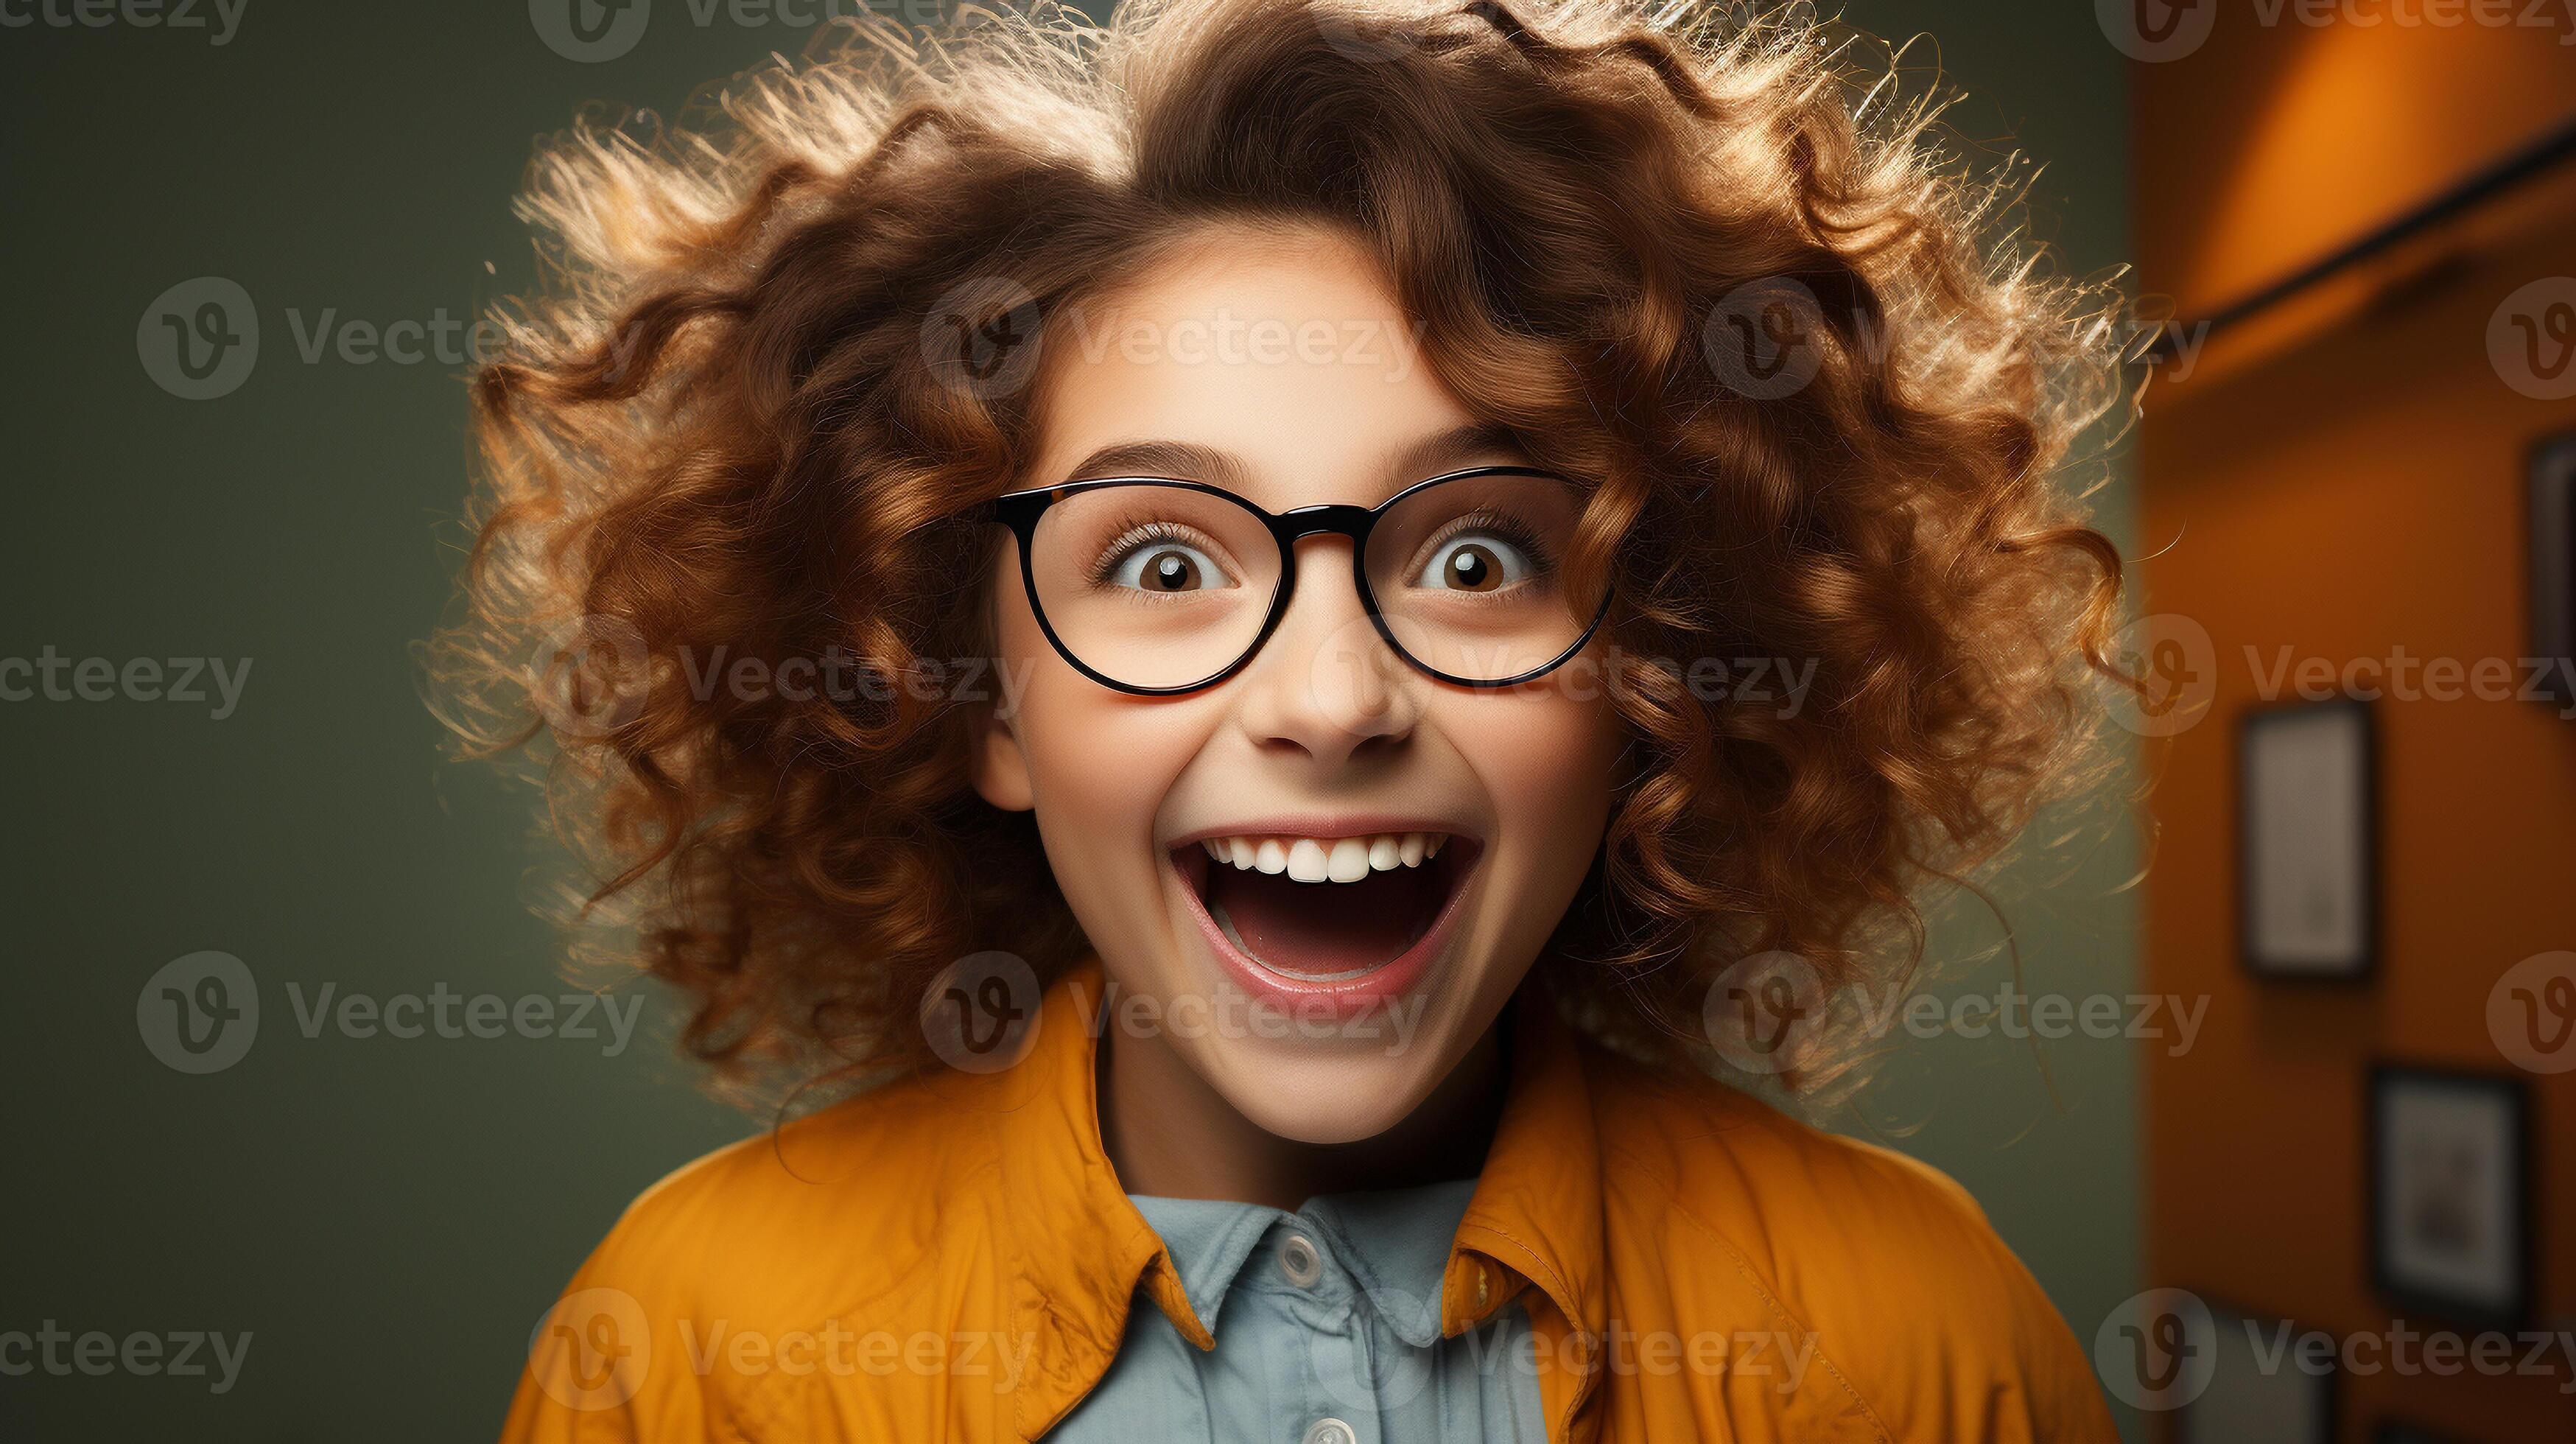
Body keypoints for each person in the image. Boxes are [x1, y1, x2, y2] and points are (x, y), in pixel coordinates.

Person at [435, 0, 2133, 1437]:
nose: (1332, 698)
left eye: (1476, 555)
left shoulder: (1918, 1340)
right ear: (981, 697)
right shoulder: (697, 1350)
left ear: (1647, 678)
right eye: (1164, 560)